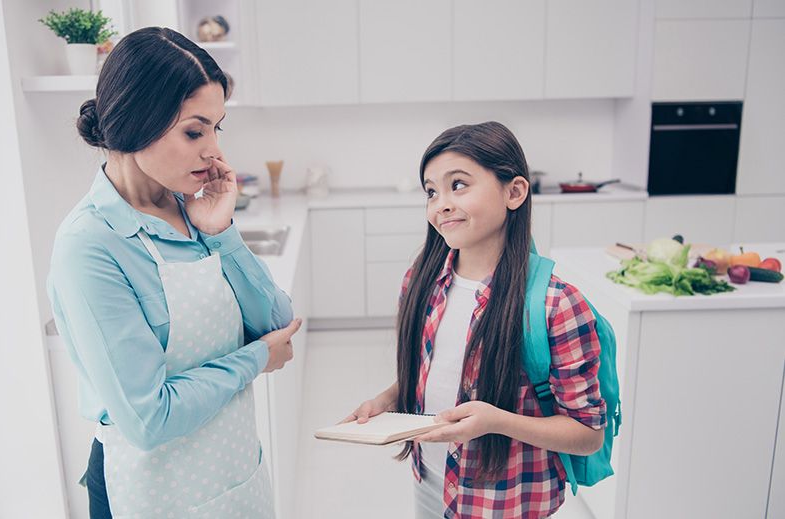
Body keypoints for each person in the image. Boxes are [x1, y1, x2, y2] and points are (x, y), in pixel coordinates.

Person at [47, 27, 299, 519]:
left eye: (216, 129)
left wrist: (221, 232)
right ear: (136, 121)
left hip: (233, 469)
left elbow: (277, 325)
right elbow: (148, 418)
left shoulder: (193, 210)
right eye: (193, 130)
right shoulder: (90, 246)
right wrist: (252, 361)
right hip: (149, 491)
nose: (213, 152)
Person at [343, 122, 606, 519]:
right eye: (431, 191)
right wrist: (387, 400)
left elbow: (588, 435)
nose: (441, 203)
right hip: (430, 480)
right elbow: (435, 370)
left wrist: (497, 422)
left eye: (459, 185)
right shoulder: (421, 280)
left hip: (506, 501)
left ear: (514, 192)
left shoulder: (556, 304)